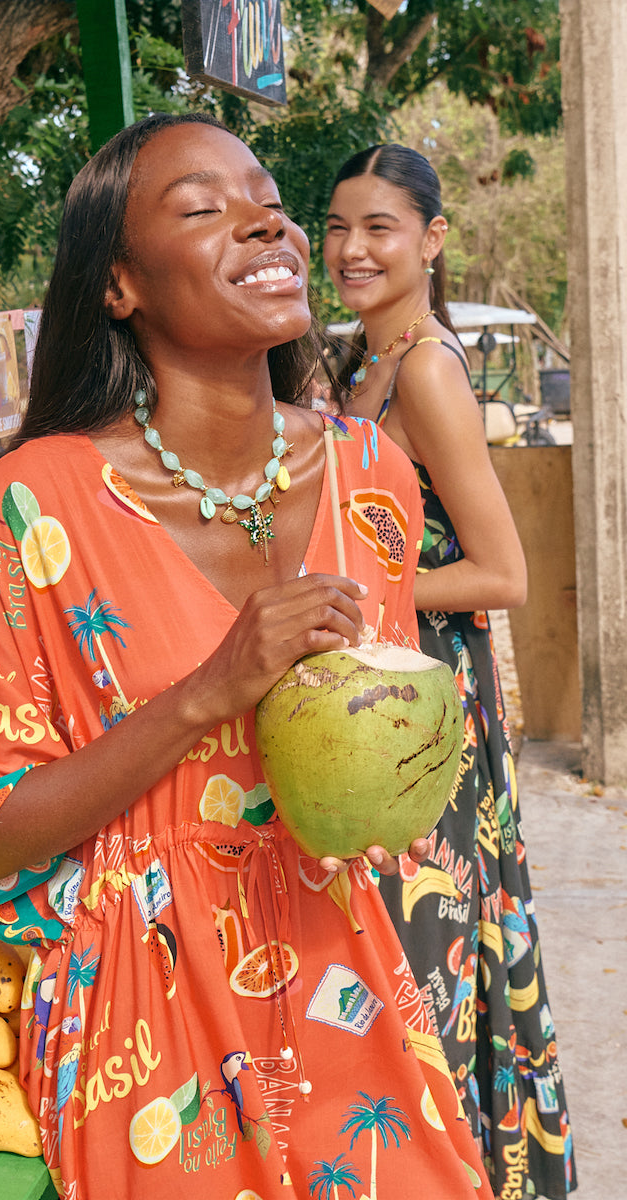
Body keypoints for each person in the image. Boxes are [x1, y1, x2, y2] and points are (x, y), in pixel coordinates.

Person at [0, 114, 493, 1200]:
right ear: (119, 285)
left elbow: (380, 786)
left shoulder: (373, 477)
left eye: (266, 200)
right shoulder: (39, 503)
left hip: (348, 983)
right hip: (144, 1017)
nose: (265, 221)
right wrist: (209, 692)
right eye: (202, 208)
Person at [323, 142, 576, 1199]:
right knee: (394, 961)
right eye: (334, 228)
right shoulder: (356, 356)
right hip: (375, 699)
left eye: (377, 228)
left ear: (430, 241)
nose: (349, 250)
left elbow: (501, 574)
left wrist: (348, 591)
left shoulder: (423, 367)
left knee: (430, 962)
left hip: (427, 701)